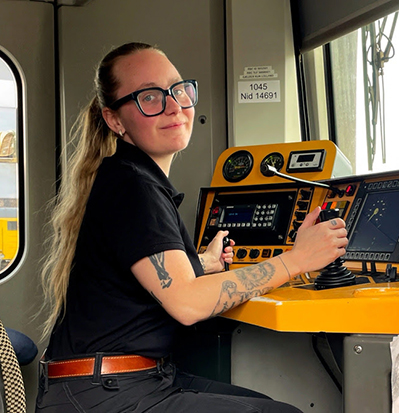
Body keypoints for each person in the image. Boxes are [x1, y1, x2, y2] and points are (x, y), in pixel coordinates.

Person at [37, 42, 348, 413]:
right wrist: (297, 260)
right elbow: (186, 303)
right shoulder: (134, 187)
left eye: (178, 89)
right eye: (149, 97)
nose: (174, 106)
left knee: (266, 405)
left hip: (113, 384)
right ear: (115, 120)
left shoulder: (128, 177)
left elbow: (143, 278)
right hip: (104, 394)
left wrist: (202, 264)